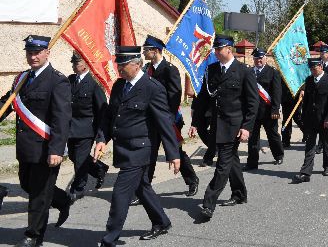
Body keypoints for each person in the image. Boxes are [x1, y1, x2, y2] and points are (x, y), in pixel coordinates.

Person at [93, 45, 181, 246]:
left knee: (121, 193)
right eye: (119, 65)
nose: (120, 69)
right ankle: (161, 221)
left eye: (124, 65)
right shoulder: (119, 86)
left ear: (137, 64)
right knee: (142, 187)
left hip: (140, 149)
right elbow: (109, 116)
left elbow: (164, 123)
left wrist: (173, 153)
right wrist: (101, 139)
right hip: (122, 147)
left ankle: (109, 238)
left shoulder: (152, 88)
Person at [0, 35, 72, 247]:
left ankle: (34, 235)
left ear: (47, 53)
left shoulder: (57, 80)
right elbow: (8, 102)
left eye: (37, 52)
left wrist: (57, 150)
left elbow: (61, 118)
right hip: (25, 148)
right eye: (30, 52)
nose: (33, 56)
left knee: (39, 195)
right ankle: (61, 199)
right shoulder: (21, 78)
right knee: (27, 185)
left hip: (45, 148)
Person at [189, 35, 258, 221]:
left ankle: (208, 204)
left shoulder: (244, 71)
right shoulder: (211, 70)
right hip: (217, 125)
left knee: (222, 164)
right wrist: (196, 121)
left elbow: (253, 102)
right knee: (232, 160)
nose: (216, 53)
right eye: (215, 49)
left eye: (219, 49)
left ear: (229, 49)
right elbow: (203, 97)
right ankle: (239, 193)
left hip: (234, 126)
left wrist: (247, 127)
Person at [141, 35, 199, 199]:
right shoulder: (146, 69)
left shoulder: (170, 69)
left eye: (146, 50)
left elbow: (175, 95)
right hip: (150, 119)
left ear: (155, 51)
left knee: (175, 152)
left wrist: (166, 116)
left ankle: (192, 180)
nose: (144, 53)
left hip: (169, 119)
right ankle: (145, 188)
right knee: (149, 153)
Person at [67, 52, 109, 202]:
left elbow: (102, 111)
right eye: (72, 63)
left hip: (86, 129)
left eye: (76, 63)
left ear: (85, 63)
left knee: (80, 160)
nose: (73, 65)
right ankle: (99, 169)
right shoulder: (70, 80)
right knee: (73, 156)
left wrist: (100, 135)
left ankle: (78, 188)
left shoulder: (94, 83)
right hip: (71, 128)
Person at [292, 58, 328, 183]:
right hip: (311, 120)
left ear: (321, 66)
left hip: (325, 120)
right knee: (310, 146)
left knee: (326, 144)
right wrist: (304, 117)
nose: (313, 71)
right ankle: (305, 173)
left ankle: (327, 166)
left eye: (315, 68)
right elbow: (307, 101)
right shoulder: (309, 80)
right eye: (311, 69)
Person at [245, 47, 284, 170]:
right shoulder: (249, 72)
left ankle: (279, 155)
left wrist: (275, 109)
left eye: (260, 58)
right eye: (256, 58)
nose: (258, 60)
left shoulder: (273, 72)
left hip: (268, 111)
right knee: (252, 138)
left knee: (272, 135)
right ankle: (252, 163)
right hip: (252, 112)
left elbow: (277, 93)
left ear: (265, 58)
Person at [280, 81, 303, 148]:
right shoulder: (280, 70)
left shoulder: (299, 69)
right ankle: (285, 141)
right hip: (285, 96)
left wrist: (303, 89)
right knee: (286, 119)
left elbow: (302, 78)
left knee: (297, 117)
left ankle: (307, 133)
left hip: (296, 95)